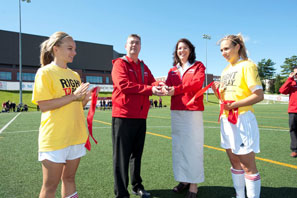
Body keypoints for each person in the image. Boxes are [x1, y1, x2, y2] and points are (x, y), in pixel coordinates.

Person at [32, 31, 97, 198]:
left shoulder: (74, 75)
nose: (74, 53)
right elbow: (44, 105)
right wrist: (74, 96)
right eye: (70, 48)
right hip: (55, 137)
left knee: (69, 178)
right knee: (50, 186)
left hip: (75, 135)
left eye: (75, 49)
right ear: (56, 49)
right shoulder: (45, 72)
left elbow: (75, 105)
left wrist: (84, 99)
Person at [111, 34, 164, 198]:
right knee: (121, 157)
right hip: (123, 116)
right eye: (131, 43)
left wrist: (159, 85)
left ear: (140, 47)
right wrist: (150, 89)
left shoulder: (143, 66)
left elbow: (152, 82)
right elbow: (124, 85)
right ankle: (121, 192)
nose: (134, 45)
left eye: (137, 43)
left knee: (136, 155)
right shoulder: (120, 64)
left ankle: (137, 185)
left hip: (141, 116)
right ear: (125, 46)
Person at [211, 34, 264, 198]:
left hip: (242, 119)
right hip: (227, 119)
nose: (223, 53)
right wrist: (216, 91)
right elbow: (225, 98)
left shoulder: (248, 65)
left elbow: (259, 95)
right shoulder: (225, 70)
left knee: (248, 165)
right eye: (221, 50)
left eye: (226, 48)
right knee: (234, 161)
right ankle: (240, 195)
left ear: (237, 47)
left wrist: (235, 105)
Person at [163, 38, 205, 198]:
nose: (182, 51)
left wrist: (176, 89)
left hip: (192, 111)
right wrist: (162, 88)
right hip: (176, 111)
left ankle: (194, 184)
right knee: (179, 147)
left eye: (185, 48)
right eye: (179, 48)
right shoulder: (172, 70)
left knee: (193, 148)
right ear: (176, 52)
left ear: (190, 50)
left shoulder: (198, 66)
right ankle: (184, 180)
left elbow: (196, 84)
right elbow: (167, 86)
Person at [279, 66, 297, 158]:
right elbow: (282, 90)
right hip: (293, 110)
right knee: (293, 130)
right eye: (295, 73)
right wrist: (290, 78)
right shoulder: (291, 83)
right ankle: (295, 149)